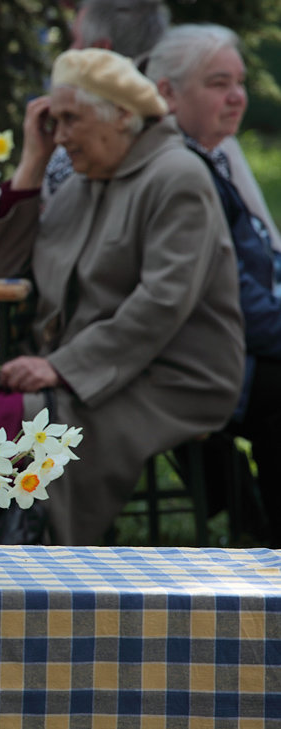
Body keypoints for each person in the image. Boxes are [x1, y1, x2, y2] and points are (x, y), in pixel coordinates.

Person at [0, 49, 245, 546]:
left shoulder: (177, 177)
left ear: (123, 116)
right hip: (97, 365)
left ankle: (24, 556)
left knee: (18, 422)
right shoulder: (85, 179)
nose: (59, 136)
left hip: (173, 374)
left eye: (70, 120)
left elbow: (161, 303)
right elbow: (4, 264)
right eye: (53, 121)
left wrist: (62, 367)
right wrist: (32, 161)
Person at [148, 24, 281, 546]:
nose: (237, 96)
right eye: (218, 82)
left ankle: (258, 529)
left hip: (221, 342)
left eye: (240, 82)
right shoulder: (178, 169)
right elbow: (233, 301)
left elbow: (260, 261)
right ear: (167, 92)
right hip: (191, 358)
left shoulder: (210, 153)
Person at [43, 0, 172, 198]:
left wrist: (32, 165)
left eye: (75, 40)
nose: (71, 51)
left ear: (100, 49)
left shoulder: (71, 161)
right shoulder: (195, 130)